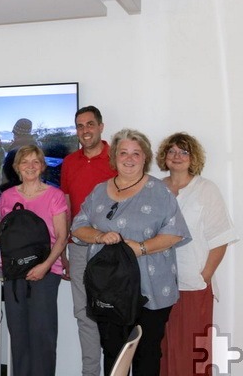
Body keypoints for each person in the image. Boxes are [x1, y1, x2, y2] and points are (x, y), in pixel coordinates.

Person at [71, 128, 191, 376]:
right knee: (113, 353)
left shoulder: (160, 192)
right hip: (108, 290)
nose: (129, 158)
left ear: (144, 157)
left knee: (146, 355)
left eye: (136, 153)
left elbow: (176, 232)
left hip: (151, 290)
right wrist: (100, 236)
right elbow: (78, 227)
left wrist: (142, 248)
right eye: (123, 152)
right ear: (114, 157)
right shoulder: (98, 191)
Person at [156, 133, 239, 376]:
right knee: (163, 348)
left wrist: (205, 275)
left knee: (194, 353)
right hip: (159, 285)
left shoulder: (206, 189)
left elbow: (220, 238)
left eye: (183, 152)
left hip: (194, 285)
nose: (177, 156)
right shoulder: (156, 189)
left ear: (193, 158)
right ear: (164, 157)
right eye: (172, 151)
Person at [0, 145, 68, 376]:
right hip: (14, 276)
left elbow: (61, 237)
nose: (30, 166)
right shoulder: (7, 197)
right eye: (24, 162)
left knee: (42, 337)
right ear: (17, 167)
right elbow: (4, 236)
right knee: (18, 337)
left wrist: (44, 266)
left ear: (42, 166)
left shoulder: (54, 196)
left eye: (35, 161)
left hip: (46, 274)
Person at [60, 105, 117, 376]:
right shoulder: (70, 163)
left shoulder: (117, 158)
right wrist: (63, 250)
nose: (85, 130)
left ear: (101, 127)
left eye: (90, 124)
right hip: (79, 248)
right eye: (80, 126)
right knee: (84, 315)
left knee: (114, 314)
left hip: (111, 250)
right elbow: (68, 205)